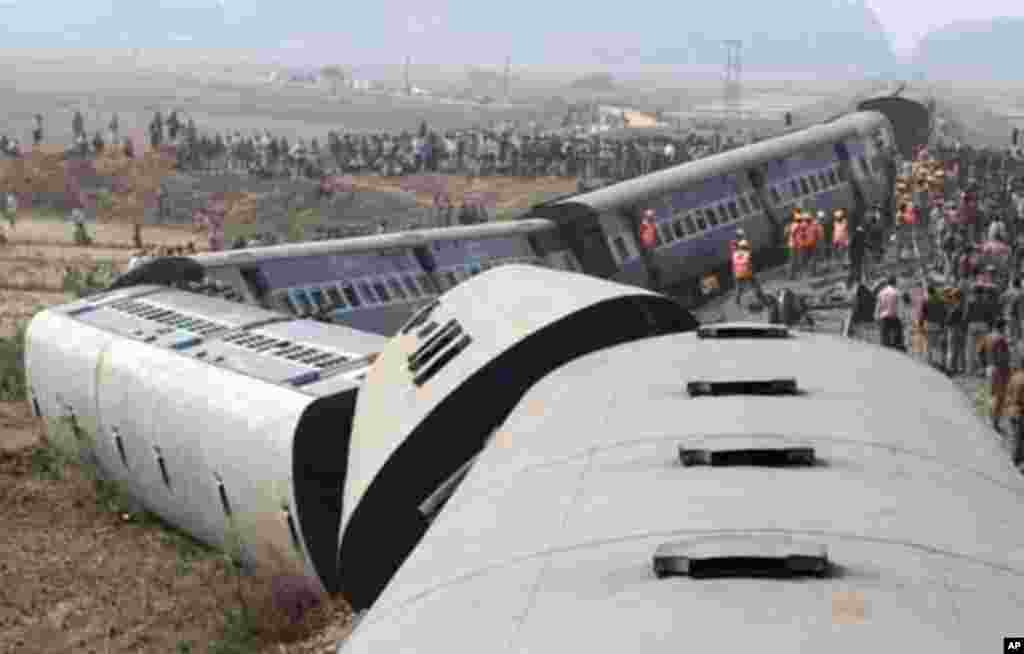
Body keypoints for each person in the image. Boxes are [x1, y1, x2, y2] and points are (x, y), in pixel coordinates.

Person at [979, 318, 1012, 433]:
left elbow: (980, 352)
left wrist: (984, 365)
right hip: (999, 369)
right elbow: (1003, 357)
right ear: (1002, 327)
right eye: (1005, 327)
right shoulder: (1001, 339)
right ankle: (994, 423)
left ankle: (988, 419)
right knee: (999, 397)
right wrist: (1007, 370)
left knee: (991, 394)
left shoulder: (987, 337)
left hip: (989, 367)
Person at [730, 238, 766, 308]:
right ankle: (760, 296)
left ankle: (737, 300)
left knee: (739, 288)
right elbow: (750, 264)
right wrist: (752, 270)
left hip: (738, 273)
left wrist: (734, 274)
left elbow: (734, 266)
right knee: (755, 284)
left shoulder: (734, 255)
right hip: (746, 272)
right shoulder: (746, 253)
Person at [876, 276, 902, 350]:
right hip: (893, 316)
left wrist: (876, 315)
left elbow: (878, 305)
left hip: (883, 317)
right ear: (895, 283)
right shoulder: (896, 292)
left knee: (884, 339)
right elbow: (899, 306)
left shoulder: (881, 292)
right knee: (896, 339)